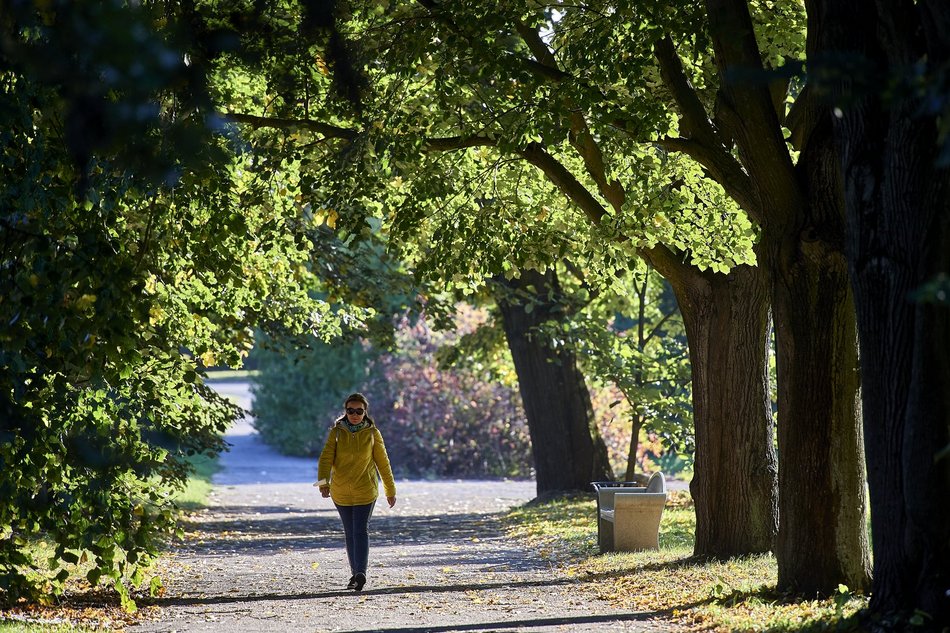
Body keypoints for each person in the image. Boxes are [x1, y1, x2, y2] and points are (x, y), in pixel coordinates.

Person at [316, 393, 397, 592]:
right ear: (345, 412)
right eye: (350, 411)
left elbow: (383, 463)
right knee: (350, 532)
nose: (354, 414)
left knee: (360, 531)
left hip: (365, 491)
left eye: (358, 411)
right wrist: (323, 484)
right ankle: (355, 574)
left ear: (365, 413)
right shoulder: (336, 433)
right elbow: (325, 459)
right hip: (341, 491)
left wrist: (390, 489)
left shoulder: (372, 434)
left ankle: (360, 573)